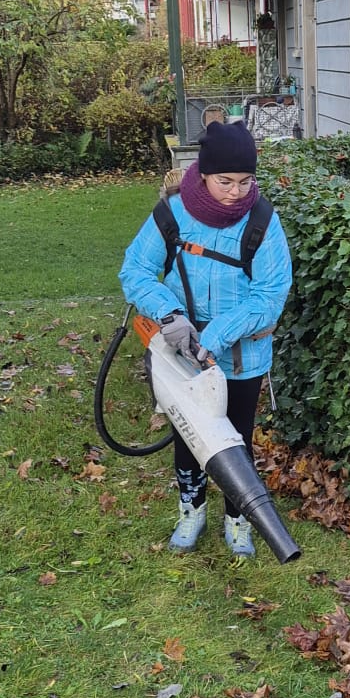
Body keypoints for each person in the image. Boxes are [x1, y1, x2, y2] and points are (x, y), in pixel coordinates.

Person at [119, 120, 293, 558]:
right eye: (225, 181)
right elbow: (135, 271)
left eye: (245, 181)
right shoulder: (172, 215)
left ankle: (238, 518)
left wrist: (214, 336)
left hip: (242, 358)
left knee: (237, 437)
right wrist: (169, 315)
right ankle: (191, 508)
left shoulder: (262, 221)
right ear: (204, 173)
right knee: (188, 436)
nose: (237, 191)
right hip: (182, 354)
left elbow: (270, 295)